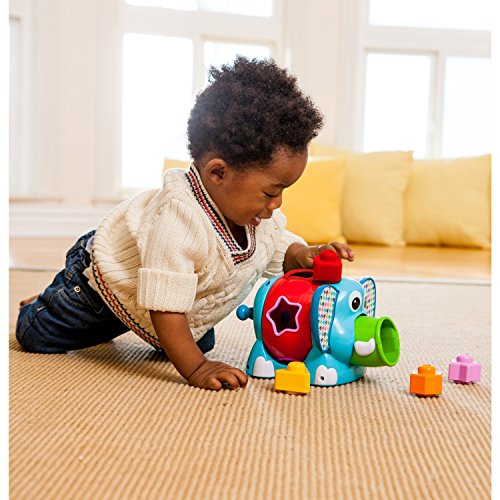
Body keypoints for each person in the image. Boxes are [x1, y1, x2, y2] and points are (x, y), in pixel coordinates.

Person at [16, 57, 355, 391]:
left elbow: (274, 247)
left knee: (198, 339)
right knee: (40, 335)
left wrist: (306, 255)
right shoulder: (178, 220)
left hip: (172, 299)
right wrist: (196, 367)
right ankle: (52, 299)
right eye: (271, 191)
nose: (277, 203)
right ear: (218, 173)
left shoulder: (252, 212)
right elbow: (164, 306)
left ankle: (94, 310)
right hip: (104, 284)